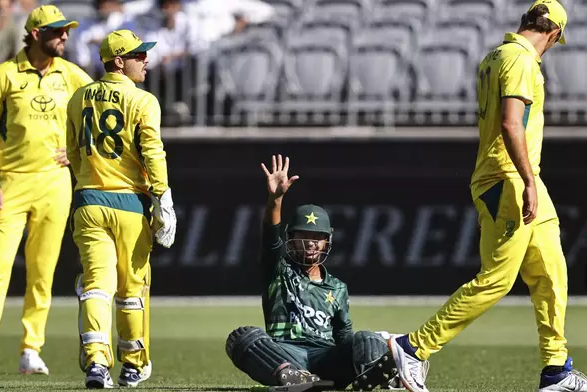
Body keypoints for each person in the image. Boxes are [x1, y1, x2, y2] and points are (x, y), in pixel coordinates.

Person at [387, 2, 587, 392]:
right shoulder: (521, 60)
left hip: (519, 177)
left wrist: (531, 181)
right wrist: (528, 181)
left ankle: (556, 370)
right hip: (508, 177)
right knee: (496, 279)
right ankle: (413, 347)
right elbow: (512, 124)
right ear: (553, 33)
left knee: (551, 272)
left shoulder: (496, 54)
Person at [0, 5, 93, 377]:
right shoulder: (3, 75)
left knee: (42, 273)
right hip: (12, 183)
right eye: (57, 32)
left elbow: (101, 108)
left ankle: (31, 349)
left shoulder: (72, 75)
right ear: (35, 34)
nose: (64, 37)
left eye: (66, 31)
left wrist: (79, 148)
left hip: (55, 183)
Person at [225, 155, 403, 391]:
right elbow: (270, 237)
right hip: (285, 354)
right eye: (304, 237)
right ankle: (296, 379)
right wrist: (275, 200)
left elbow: (344, 337)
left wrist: (370, 349)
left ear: (326, 242)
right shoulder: (278, 271)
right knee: (242, 336)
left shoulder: (337, 287)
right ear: (291, 239)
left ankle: (377, 380)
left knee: (368, 337)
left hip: (326, 358)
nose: (311, 244)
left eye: (317, 238)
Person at [65, 29, 176, 389]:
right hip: (130, 203)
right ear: (118, 61)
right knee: (132, 289)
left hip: (88, 201)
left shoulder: (78, 97)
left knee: (97, 286)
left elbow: (74, 153)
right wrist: (163, 199)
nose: (145, 60)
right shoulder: (143, 101)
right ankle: (132, 364)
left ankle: (97, 363)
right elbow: (153, 153)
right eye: (138, 55)